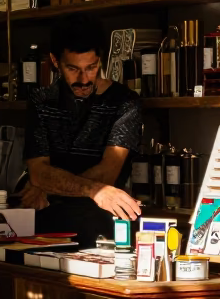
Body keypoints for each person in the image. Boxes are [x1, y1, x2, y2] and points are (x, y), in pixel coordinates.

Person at [20, 15, 142, 248]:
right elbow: (38, 172)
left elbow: (108, 172)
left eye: (92, 67)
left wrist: (47, 185)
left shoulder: (124, 102)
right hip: (46, 226)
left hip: (102, 227)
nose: (83, 80)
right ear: (55, 62)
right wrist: (94, 190)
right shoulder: (41, 101)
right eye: (73, 69)